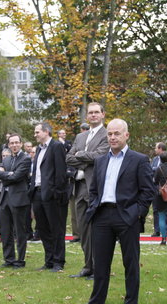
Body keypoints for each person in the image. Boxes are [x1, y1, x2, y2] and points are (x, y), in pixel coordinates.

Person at [74, 119, 155, 304]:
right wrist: (94, 208)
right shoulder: (101, 160)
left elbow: (148, 191)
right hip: (102, 216)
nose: (112, 137)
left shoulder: (139, 159)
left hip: (127, 216)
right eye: (109, 134)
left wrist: (137, 214)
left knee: (131, 263)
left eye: (117, 133)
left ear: (126, 135)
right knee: (100, 263)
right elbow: (93, 189)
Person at [66, 102, 110, 279]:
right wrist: (85, 159)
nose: (93, 115)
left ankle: (99, 267)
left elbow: (100, 156)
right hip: (80, 188)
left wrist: (80, 156)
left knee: (98, 229)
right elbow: (68, 157)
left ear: (102, 114)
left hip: (97, 187)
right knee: (83, 229)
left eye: (96, 112)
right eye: (90, 113)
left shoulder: (107, 134)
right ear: (87, 117)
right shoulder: (80, 137)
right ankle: (87, 266)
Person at [29, 122, 69, 272]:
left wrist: (57, 193)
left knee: (56, 229)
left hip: (52, 195)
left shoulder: (57, 146)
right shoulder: (39, 149)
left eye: (37, 132)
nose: (35, 135)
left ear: (46, 132)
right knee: (43, 229)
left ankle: (59, 261)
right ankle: (49, 261)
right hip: (38, 193)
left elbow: (60, 172)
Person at [0, 134, 31, 268]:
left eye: (16, 143)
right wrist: (8, 174)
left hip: (19, 199)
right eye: (11, 143)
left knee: (20, 231)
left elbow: (17, 177)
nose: (14, 145)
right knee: (5, 231)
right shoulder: (7, 159)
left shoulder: (26, 159)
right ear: (8, 145)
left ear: (21, 144)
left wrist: (6, 174)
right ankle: (8, 259)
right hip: (4, 198)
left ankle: (20, 260)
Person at [150, 142, 166, 237]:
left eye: (156, 148)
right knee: (155, 209)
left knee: (164, 210)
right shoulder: (155, 159)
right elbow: (150, 169)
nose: (155, 150)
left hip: (164, 187)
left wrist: (155, 169)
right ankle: (157, 230)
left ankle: (165, 230)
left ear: (160, 148)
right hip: (155, 187)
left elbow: (165, 169)